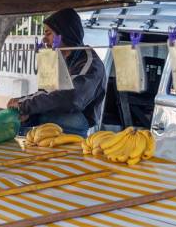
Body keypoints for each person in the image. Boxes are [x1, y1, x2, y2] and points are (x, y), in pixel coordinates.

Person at [7, 8, 106, 137]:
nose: (44, 39)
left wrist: (24, 104)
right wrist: (28, 115)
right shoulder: (57, 59)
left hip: (73, 130)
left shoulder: (90, 62)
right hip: (47, 128)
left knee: (72, 117)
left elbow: (70, 97)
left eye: (48, 33)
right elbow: (46, 93)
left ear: (63, 34)